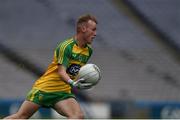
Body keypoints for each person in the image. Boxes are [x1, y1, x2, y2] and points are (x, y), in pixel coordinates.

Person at [4, 14, 98, 119]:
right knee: (20, 117)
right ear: (83, 29)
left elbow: (75, 71)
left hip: (62, 93)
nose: (95, 34)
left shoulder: (88, 51)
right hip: (45, 89)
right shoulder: (66, 47)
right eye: (93, 30)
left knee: (78, 116)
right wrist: (73, 83)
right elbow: (61, 72)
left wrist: (84, 81)